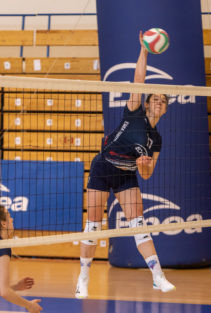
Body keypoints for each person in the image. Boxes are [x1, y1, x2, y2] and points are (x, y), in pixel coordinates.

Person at [75, 31, 175, 299]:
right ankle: (83, 277)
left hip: (127, 176)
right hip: (103, 168)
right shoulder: (134, 111)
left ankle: (158, 276)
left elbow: (148, 173)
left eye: (163, 101)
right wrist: (144, 49)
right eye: (154, 98)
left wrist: (142, 164)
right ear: (147, 101)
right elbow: (139, 79)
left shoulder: (156, 140)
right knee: (93, 227)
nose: (158, 102)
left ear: (165, 109)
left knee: (139, 226)